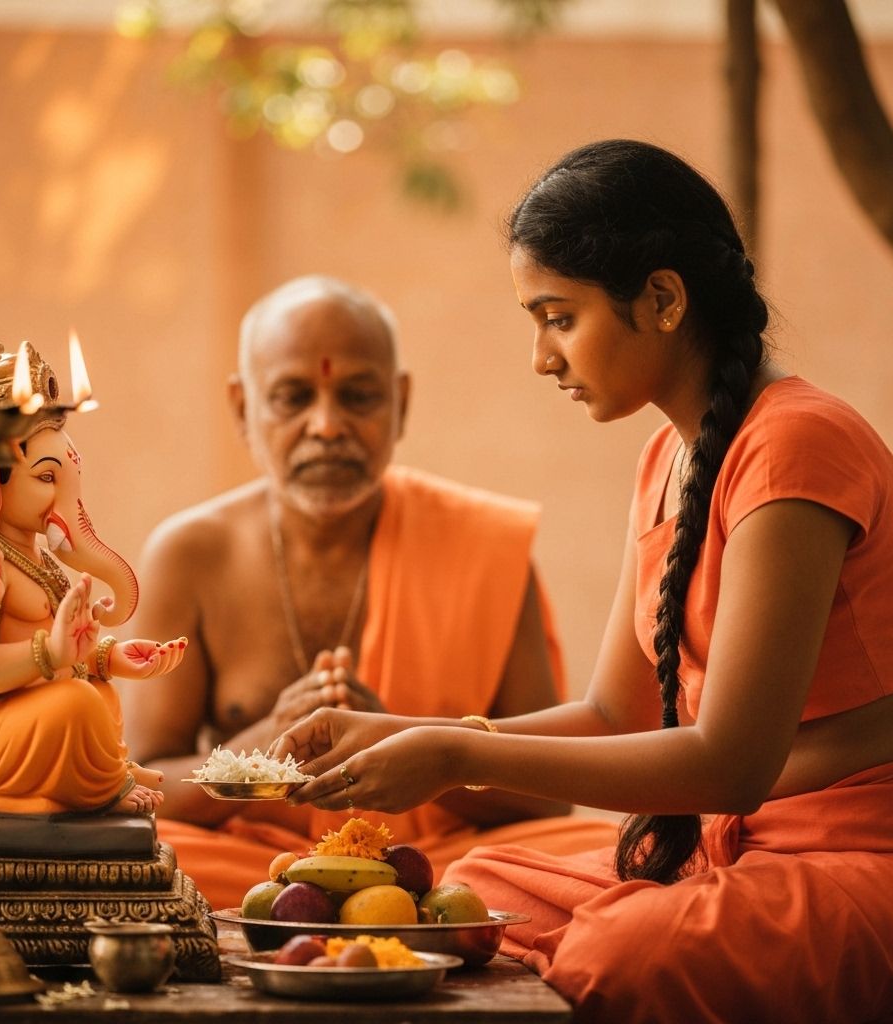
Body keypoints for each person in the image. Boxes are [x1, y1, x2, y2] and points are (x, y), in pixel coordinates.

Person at [272, 141, 893, 1023]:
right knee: (478, 887)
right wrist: (405, 732)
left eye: (558, 318)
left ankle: (651, 921)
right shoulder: (669, 454)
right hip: (726, 856)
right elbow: (614, 716)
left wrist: (457, 758)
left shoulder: (797, 445)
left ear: (661, 299)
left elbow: (731, 765)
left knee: (623, 950)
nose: (543, 358)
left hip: (865, 860)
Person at [120, 275, 620, 910]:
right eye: (293, 397)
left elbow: (548, 796)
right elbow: (147, 788)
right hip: (260, 862)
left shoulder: (484, 545)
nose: (327, 426)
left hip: (437, 861)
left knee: (594, 848)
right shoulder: (190, 554)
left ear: (401, 402)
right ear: (243, 407)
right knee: (137, 856)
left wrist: (421, 751)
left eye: (358, 397)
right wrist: (269, 741)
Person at [0, 336, 187, 870]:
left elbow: (61, 653)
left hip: (20, 715)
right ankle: (102, 783)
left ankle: (101, 771)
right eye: (46, 478)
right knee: (74, 705)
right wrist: (45, 652)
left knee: (92, 694)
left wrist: (106, 657)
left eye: (67, 478)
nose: (62, 499)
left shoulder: (25, 550)